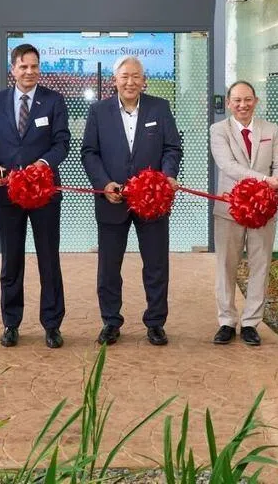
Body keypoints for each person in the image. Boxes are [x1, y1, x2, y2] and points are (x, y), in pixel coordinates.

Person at [80, 56, 182, 346]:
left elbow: (172, 148)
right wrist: (103, 184)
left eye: (136, 76)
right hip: (112, 200)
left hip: (152, 200)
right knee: (109, 267)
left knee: (156, 264)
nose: (130, 82)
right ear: (115, 80)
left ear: (143, 80)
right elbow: (89, 152)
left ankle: (155, 323)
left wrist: (167, 176)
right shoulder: (99, 111)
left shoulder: (159, 107)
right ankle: (111, 321)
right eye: (125, 76)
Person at [0, 44, 70, 348]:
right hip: (8, 193)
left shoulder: (54, 100)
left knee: (48, 258)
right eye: (23, 66)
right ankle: (11, 323)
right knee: (12, 259)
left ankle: (52, 324)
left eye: (34, 66)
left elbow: (62, 142)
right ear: (13, 69)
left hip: (45, 193)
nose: (29, 72)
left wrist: (42, 164)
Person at [208, 80, 278, 347]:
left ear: (256, 101)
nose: (242, 105)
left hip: (264, 210)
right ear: (229, 103)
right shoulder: (218, 130)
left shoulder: (270, 129)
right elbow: (228, 165)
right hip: (229, 209)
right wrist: (266, 181)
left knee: (260, 265)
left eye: (247, 100)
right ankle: (226, 321)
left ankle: (251, 323)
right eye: (237, 100)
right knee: (226, 266)